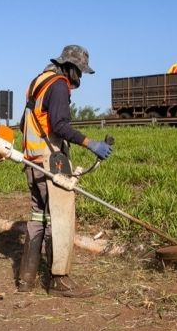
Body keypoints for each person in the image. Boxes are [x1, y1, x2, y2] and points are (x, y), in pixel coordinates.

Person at [17, 45, 112, 298]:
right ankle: (59, 280)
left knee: (38, 217)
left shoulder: (37, 82)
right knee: (59, 219)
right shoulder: (58, 85)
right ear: (69, 67)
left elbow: (22, 124)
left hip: (32, 161)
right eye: (79, 72)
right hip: (51, 164)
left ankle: (26, 279)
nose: (79, 79)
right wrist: (91, 144)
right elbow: (59, 124)